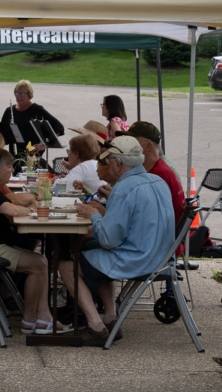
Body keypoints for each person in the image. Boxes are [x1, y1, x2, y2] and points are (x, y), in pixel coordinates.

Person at [58, 136, 175, 345]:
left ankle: (95, 326)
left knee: (66, 265)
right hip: (160, 260)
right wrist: (112, 202)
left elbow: (109, 240)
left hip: (137, 260)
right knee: (91, 249)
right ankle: (111, 318)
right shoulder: (157, 181)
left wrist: (92, 214)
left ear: (117, 163)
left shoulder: (124, 188)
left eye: (107, 161)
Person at [0, 147, 65, 335]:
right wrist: (32, 210)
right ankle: (32, 319)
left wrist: (24, 204)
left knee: (40, 261)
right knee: (39, 263)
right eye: (8, 167)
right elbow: (12, 211)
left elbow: (9, 204)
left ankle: (41, 317)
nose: (12, 170)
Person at [125, 121, 185, 221]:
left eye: (132, 142)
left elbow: (148, 218)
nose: (127, 146)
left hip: (168, 234)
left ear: (148, 146)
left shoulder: (157, 175)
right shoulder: (157, 168)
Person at [0, 80, 64, 154]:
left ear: (29, 94)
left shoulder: (37, 110)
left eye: (23, 93)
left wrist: (43, 144)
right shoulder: (9, 111)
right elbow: (2, 133)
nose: (19, 96)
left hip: (32, 154)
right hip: (14, 153)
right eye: (17, 93)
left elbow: (58, 127)